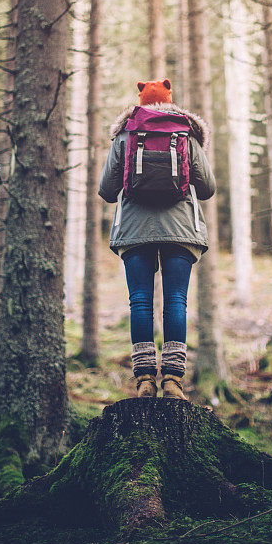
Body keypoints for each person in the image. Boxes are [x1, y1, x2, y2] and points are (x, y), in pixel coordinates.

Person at [98, 78, 216, 399]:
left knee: (140, 301)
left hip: (135, 231)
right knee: (176, 301)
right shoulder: (185, 136)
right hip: (181, 231)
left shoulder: (126, 136)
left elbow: (107, 191)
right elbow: (207, 188)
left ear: (140, 101)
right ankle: (174, 382)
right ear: (169, 99)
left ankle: (145, 380)